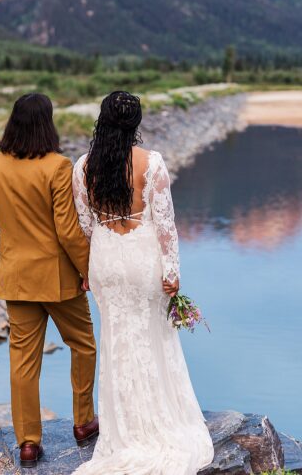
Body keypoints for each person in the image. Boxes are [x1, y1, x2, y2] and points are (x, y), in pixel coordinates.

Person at [71, 90, 213, 475]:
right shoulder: (151, 164)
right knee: (154, 337)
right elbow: (166, 226)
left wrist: (87, 270)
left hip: (106, 262)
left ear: (101, 120)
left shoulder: (83, 166)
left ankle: (123, 429)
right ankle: (158, 421)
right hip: (142, 260)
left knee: (116, 339)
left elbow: (86, 225)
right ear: (135, 124)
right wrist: (172, 273)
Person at [0, 92, 99, 468]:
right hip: (59, 280)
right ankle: (83, 422)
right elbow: (67, 229)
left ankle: (28, 443)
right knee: (84, 345)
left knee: (23, 362)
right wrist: (87, 270)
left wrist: (4, 266)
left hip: (17, 279)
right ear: (47, 123)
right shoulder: (58, 167)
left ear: (12, 122)